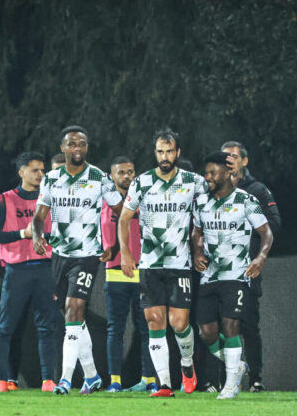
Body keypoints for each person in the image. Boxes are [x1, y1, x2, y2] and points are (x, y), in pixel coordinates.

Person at [31, 126, 121, 395]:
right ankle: (92, 376)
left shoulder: (100, 178)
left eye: (82, 144)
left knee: (73, 308)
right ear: (63, 148)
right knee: (74, 318)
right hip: (59, 255)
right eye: (72, 144)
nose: (78, 149)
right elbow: (38, 216)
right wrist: (37, 235)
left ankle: (65, 380)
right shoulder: (51, 179)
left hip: (87, 255)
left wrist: (114, 244)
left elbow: (122, 211)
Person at [118, 129, 208, 397]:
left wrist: (199, 248)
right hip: (150, 264)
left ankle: (187, 364)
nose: (165, 157)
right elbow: (124, 218)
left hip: (180, 263)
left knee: (179, 323)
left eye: (169, 151)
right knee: (154, 320)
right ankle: (165, 384)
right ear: (154, 153)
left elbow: (203, 220)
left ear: (178, 153)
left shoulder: (194, 182)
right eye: (160, 152)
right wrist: (125, 253)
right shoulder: (142, 182)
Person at [191, 152, 273, 399]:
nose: (208, 177)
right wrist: (196, 252)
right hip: (210, 275)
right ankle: (235, 365)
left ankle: (229, 386)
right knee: (206, 332)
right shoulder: (202, 202)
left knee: (231, 326)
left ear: (228, 173)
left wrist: (260, 258)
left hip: (237, 275)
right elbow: (196, 232)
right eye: (206, 173)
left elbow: (266, 233)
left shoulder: (246, 201)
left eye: (212, 172)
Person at [0, 151, 59, 392]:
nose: (41, 174)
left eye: (42, 170)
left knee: (47, 326)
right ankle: (1, 380)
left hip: (45, 269)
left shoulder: (50, 199)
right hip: (16, 270)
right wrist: (23, 234)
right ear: (21, 173)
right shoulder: (5, 199)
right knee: (6, 327)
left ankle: (48, 380)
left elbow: (60, 233)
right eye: (35, 170)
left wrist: (41, 235)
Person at [220, 141, 281, 391]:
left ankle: (255, 377)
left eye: (234, 156)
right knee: (218, 325)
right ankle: (223, 377)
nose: (229, 160)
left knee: (248, 324)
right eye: (225, 156)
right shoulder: (214, 189)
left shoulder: (257, 190)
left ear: (245, 161)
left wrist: (249, 231)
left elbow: (275, 225)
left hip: (247, 268)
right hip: (220, 268)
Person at [101, 156, 156, 392]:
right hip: (115, 272)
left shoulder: (145, 200)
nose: (127, 176)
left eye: (131, 171)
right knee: (116, 329)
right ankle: (115, 382)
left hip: (143, 271)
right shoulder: (103, 201)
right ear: (111, 176)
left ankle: (149, 380)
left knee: (148, 328)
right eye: (121, 172)